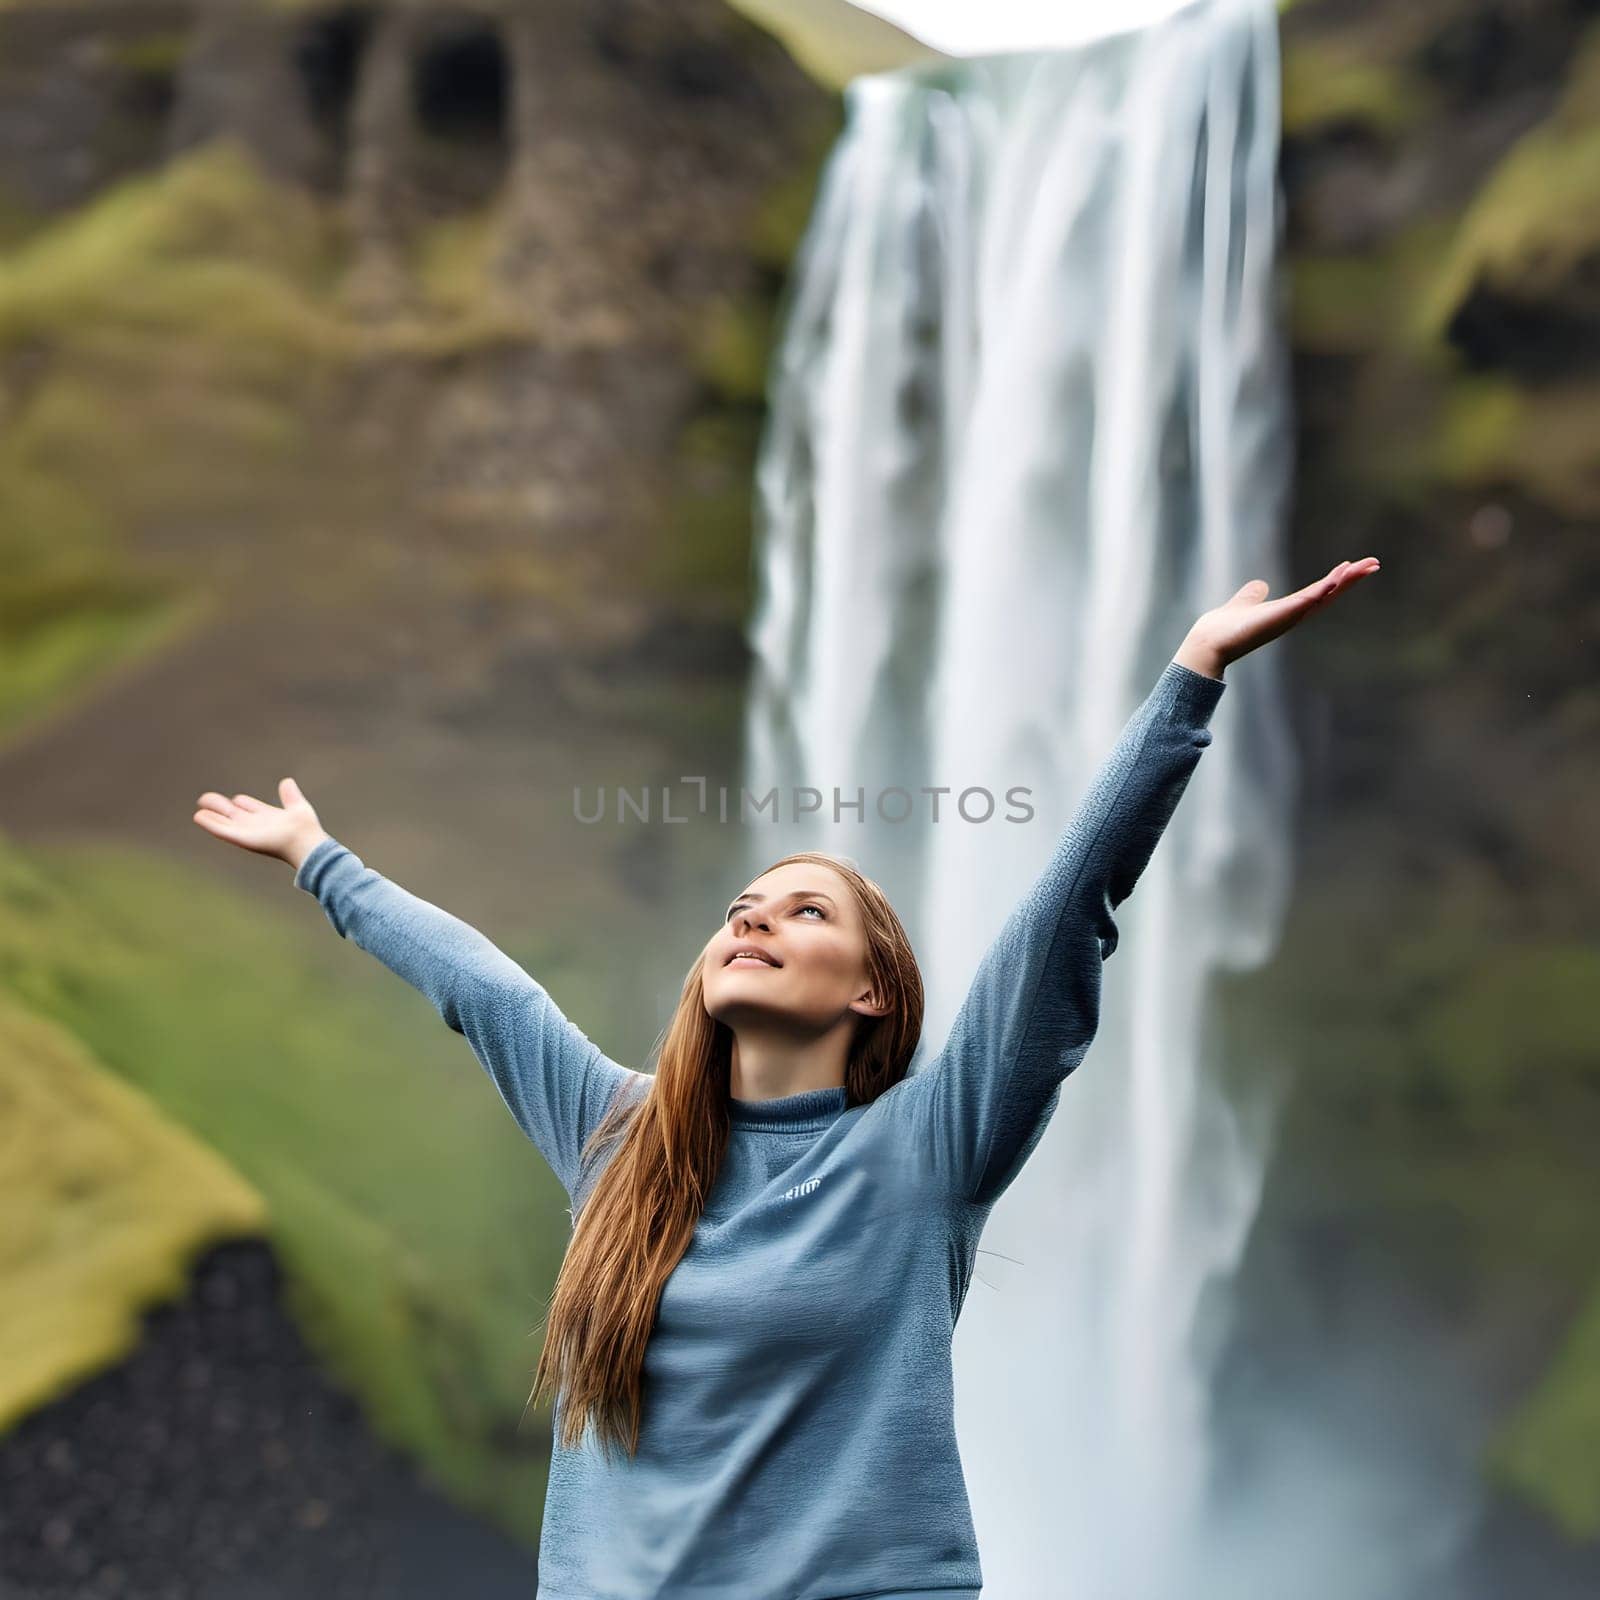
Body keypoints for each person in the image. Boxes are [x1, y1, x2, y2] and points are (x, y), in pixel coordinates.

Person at [193, 558, 1378, 1599]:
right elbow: (488, 993)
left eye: (804, 910)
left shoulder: (928, 1148)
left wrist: (1189, 679)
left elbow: (1067, 914)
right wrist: (319, 860)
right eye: (739, 908)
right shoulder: (619, 1138)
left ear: (871, 988)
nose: (752, 918)